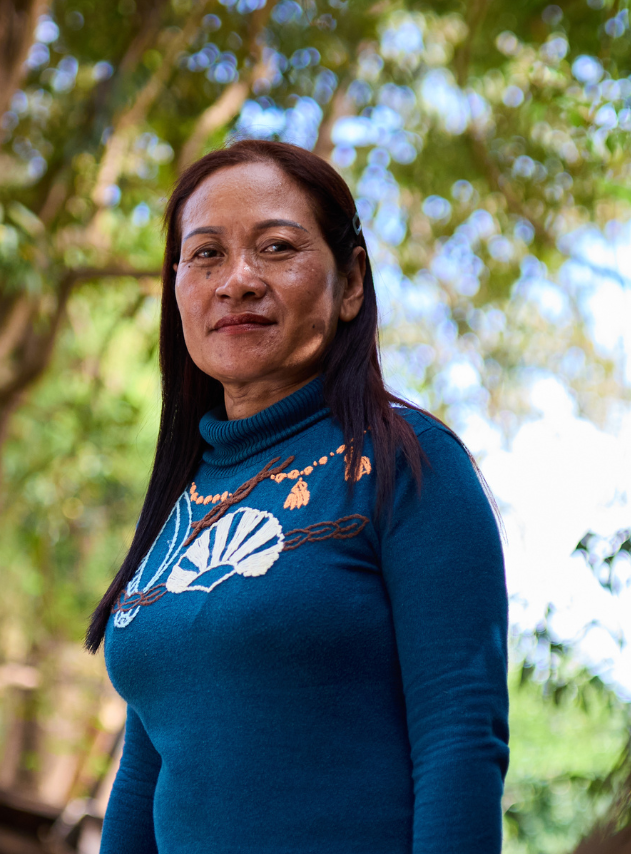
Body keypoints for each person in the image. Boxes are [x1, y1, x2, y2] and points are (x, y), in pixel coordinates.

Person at [87, 139, 509, 854]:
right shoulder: (183, 503)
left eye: (276, 247)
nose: (238, 280)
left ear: (350, 285)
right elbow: (145, 769)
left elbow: (460, 734)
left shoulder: (407, 461)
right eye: (207, 254)